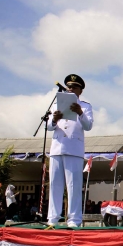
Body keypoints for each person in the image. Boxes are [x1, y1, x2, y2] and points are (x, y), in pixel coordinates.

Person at [47, 74, 94, 228]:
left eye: (74, 87)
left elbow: (88, 126)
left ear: (80, 90)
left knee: (73, 185)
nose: (70, 89)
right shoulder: (56, 104)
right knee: (55, 184)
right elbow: (48, 126)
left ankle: (74, 219)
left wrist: (80, 112)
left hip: (74, 149)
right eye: (68, 86)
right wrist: (54, 119)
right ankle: (53, 218)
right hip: (57, 147)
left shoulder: (86, 106)